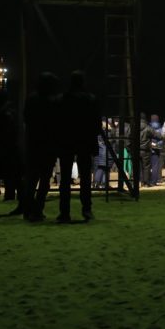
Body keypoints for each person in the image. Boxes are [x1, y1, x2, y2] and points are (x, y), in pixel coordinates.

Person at [59, 71, 100, 222]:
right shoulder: (90, 99)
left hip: (67, 140)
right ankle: (87, 209)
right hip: (85, 140)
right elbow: (96, 123)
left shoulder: (63, 98)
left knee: (65, 178)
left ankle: (64, 211)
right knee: (85, 177)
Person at [23, 72, 63, 222]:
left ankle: (28, 209)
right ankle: (38, 210)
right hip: (48, 144)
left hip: (33, 143)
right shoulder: (53, 101)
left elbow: (26, 118)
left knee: (31, 180)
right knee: (45, 180)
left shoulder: (31, 99)